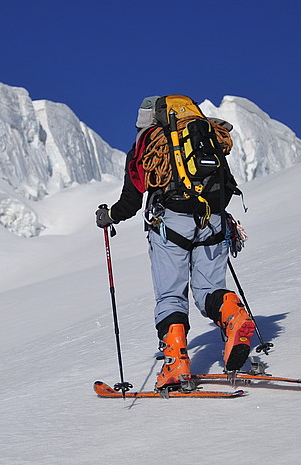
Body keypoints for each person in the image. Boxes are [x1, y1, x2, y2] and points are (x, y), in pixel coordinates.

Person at [95, 95, 255, 392]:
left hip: (170, 223)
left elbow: (131, 200)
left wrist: (109, 216)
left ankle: (175, 363)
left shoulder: (149, 144)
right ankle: (234, 317)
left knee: (171, 295)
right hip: (214, 220)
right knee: (209, 290)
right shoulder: (204, 134)